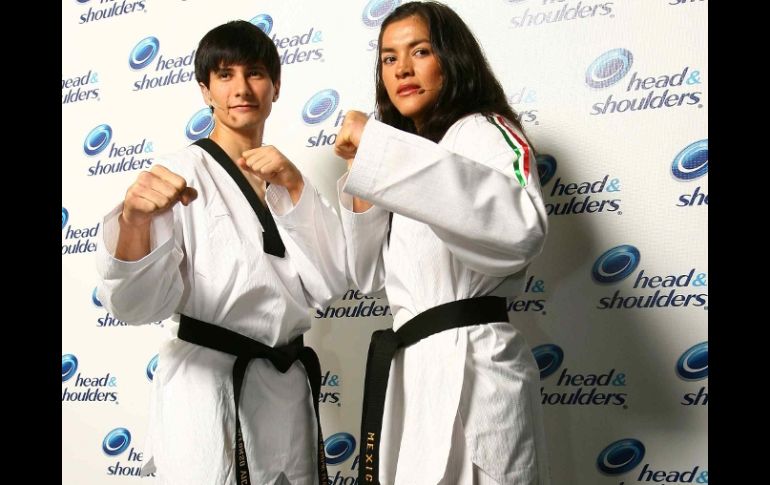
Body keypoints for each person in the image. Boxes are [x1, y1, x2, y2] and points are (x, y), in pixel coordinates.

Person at [96, 20, 347, 485]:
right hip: (209, 393)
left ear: (276, 86)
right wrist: (133, 221)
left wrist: (294, 186)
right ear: (205, 90)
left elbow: (331, 282)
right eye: (225, 75)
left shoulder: (286, 178)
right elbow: (135, 305)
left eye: (255, 73)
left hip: (287, 391)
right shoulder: (177, 174)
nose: (241, 88)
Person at [334, 2, 550, 484]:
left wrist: (384, 154)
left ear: (452, 59)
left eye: (420, 51)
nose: (402, 70)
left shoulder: (485, 129)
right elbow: (367, 275)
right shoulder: (407, 158)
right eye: (389, 59)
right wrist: (364, 171)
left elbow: (522, 227)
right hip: (413, 373)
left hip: (476, 367)